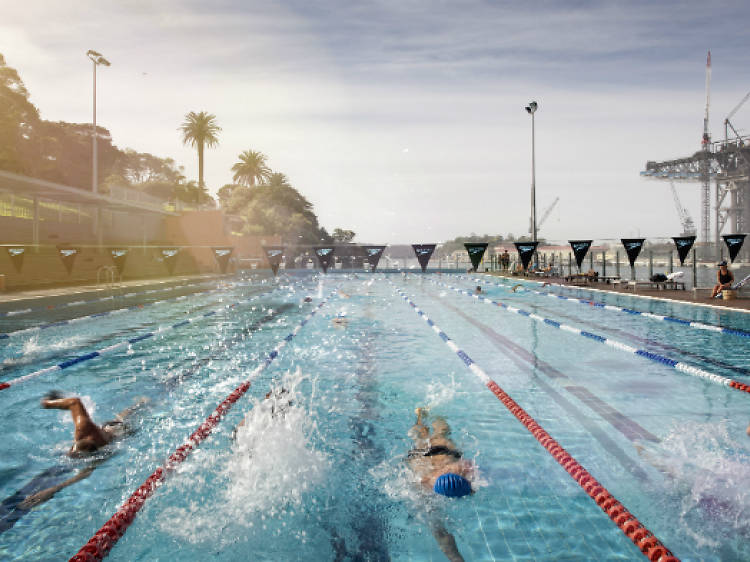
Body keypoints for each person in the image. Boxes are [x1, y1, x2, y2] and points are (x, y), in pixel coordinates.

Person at [407, 408, 473, 561]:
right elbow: (440, 534)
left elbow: (441, 534)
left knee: (438, 433)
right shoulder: (426, 483)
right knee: (421, 437)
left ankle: (423, 414)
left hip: (443, 451)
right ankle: (423, 414)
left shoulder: (459, 471)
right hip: (423, 455)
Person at [41, 391, 147, 456]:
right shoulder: (82, 429)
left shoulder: (100, 442)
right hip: (106, 428)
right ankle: (141, 403)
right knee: (120, 418)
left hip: (119, 432)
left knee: (123, 420)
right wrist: (48, 403)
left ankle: (142, 403)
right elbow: (74, 402)